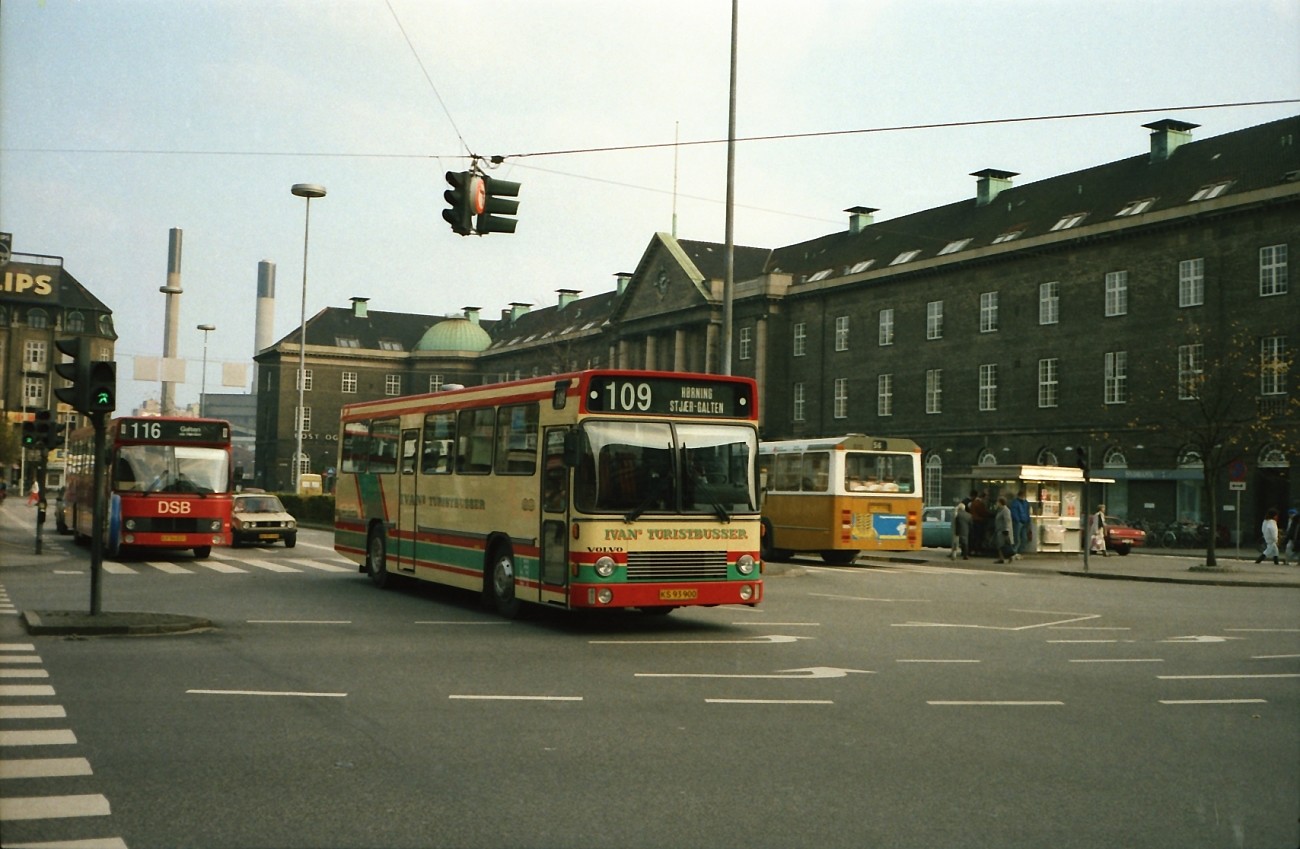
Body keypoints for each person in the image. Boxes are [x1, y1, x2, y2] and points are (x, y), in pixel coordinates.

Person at [1010, 490, 1032, 556]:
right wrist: (1018, 520)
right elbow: (1014, 512)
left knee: (1023, 538)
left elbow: (1027, 512)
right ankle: (1015, 551)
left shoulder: (1023, 502)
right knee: (1017, 538)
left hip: (1023, 522)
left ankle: (1018, 551)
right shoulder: (1018, 503)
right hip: (1019, 522)